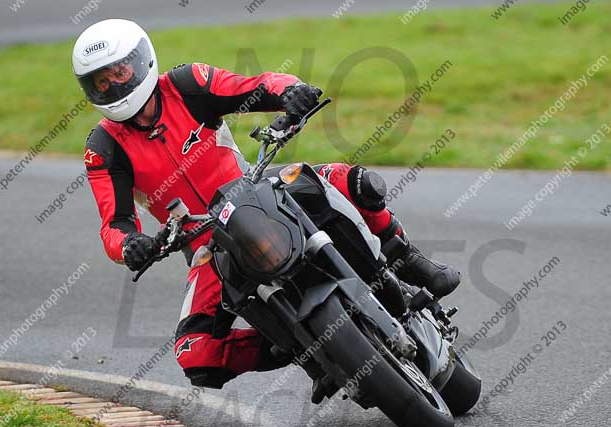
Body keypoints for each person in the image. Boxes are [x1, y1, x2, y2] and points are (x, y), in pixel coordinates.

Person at [73, 19, 459, 389]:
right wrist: (129, 246)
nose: (111, 85)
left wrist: (290, 92)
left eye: (118, 72)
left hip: (255, 190)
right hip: (206, 245)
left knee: (354, 181)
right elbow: (114, 223)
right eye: (100, 81)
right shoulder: (103, 147)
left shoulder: (187, 84)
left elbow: (255, 86)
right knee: (196, 354)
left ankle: (405, 256)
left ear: (140, 62)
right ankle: (305, 347)